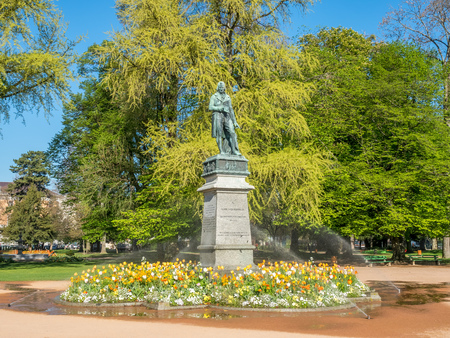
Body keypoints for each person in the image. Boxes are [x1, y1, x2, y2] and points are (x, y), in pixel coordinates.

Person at [209, 81, 241, 155]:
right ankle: (221, 151)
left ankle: (235, 150)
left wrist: (235, 122)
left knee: (232, 132)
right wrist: (220, 108)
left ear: (224, 88)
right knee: (219, 134)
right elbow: (210, 107)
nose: (221, 89)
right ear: (218, 88)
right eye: (220, 87)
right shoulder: (214, 96)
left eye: (222, 87)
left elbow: (231, 110)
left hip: (227, 116)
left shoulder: (227, 97)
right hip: (218, 116)